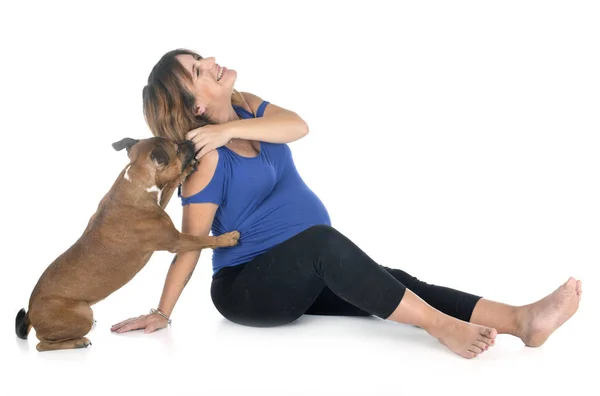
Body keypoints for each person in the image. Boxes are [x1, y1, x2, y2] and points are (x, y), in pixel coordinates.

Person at [111, 49, 582, 359]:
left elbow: (298, 126)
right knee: (322, 243)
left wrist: (231, 126)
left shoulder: (245, 107)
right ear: (194, 107)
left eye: (200, 56)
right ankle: (443, 328)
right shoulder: (208, 162)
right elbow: (190, 243)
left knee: (395, 282)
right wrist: (162, 311)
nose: (211, 60)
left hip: (304, 272)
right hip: (248, 289)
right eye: (198, 69)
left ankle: (523, 321)